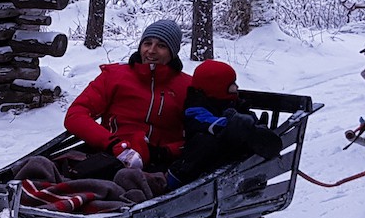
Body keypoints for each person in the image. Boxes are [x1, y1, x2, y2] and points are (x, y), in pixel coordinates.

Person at [64, 19, 191, 178]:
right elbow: (76, 115)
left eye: (161, 46)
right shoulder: (115, 76)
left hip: (160, 164)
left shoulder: (188, 87)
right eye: (147, 43)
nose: (151, 51)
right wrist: (113, 144)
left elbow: (197, 136)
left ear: (173, 52)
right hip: (109, 155)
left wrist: (163, 152)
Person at [164, 60, 283, 189]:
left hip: (227, 165)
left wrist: (252, 127)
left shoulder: (231, 102)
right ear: (217, 87)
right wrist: (238, 124)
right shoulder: (196, 109)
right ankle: (174, 181)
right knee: (207, 141)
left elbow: (245, 119)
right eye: (232, 84)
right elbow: (213, 125)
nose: (236, 87)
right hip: (196, 167)